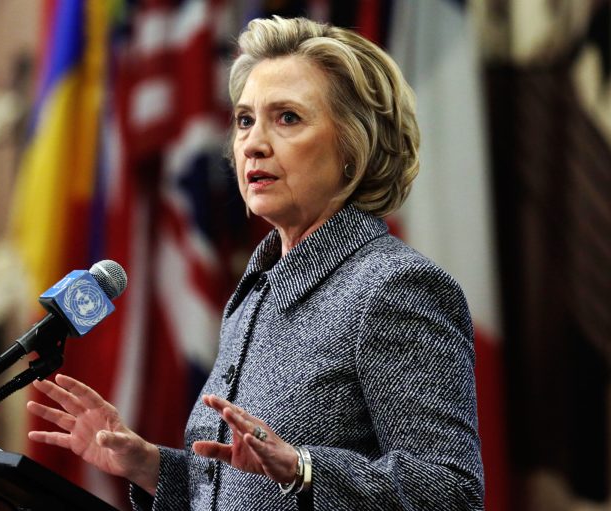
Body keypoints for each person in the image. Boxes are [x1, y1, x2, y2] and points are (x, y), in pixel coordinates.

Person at [27, 16, 483, 510]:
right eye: (245, 120)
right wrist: (148, 464)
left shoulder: (394, 287)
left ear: (356, 145)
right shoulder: (257, 292)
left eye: (288, 118)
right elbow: (239, 484)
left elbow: (451, 490)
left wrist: (305, 468)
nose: (253, 143)